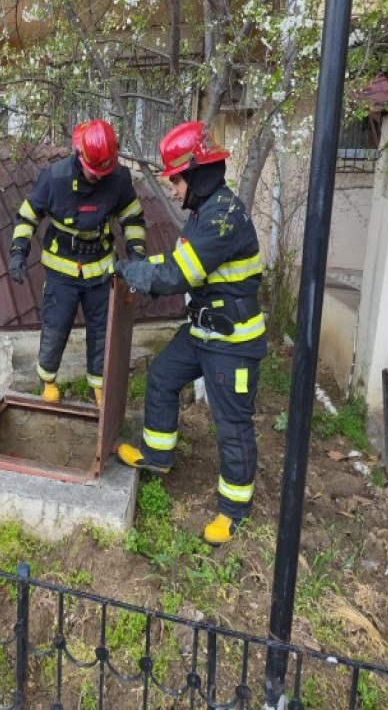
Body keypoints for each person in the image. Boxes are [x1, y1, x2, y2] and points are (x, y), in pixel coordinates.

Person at [115, 121, 267, 546]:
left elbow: (179, 274)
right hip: (203, 333)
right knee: (162, 378)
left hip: (232, 343)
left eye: (177, 179)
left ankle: (234, 510)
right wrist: (146, 270)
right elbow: (180, 263)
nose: (175, 189)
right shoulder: (206, 214)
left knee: (231, 424)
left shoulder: (222, 219)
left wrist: (133, 271)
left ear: (198, 172)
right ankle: (158, 456)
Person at [8, 119, 146, 405]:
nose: (98, 178)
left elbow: (133, 218)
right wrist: (18, 251)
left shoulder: (118, 179)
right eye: (94, 172)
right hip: (61, 271)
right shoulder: (54, 178)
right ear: (79, 155)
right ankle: (48, 382)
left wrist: (137, 255)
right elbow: (27, 215)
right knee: (55, 328)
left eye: (103, 172)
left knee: (101, 332)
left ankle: (98, 386)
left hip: (101, 270)